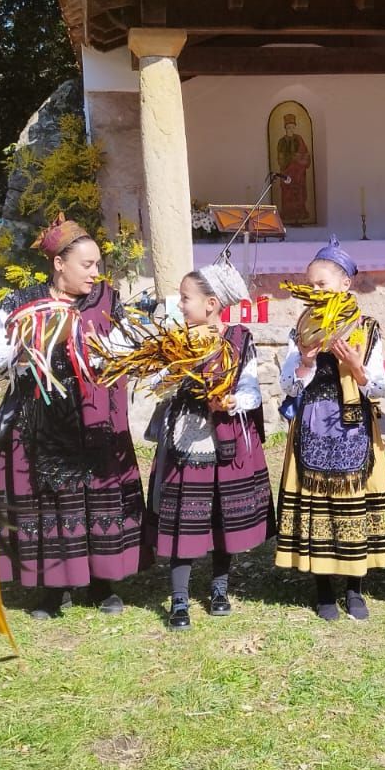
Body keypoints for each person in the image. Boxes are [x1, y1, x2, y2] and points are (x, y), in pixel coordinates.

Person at [0, 216, 147, 619]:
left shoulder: (106, 300)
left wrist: (106, 348)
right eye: (86, 265)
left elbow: (128, 347)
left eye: (97, 265)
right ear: (59, 264)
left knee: (92, 496)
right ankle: (50, 591)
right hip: (38, 419)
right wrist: (27, 342)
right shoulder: (26, 302)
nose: (95, 273)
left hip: (92, 416)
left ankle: (100, 581)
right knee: (46, 502)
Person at [145, 263, 274, 631]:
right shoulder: (176, 339)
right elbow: (156, 382)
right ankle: (179, 597)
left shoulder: (238, 339)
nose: (180, 305)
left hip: (225, 438)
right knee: (182, 517)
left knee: (221, 517)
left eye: (185, 298)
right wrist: (171, 373)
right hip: (187, 439)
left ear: (212, 303)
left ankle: (219, 588)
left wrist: (232, 401)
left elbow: (250, 388)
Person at [276, 239, 385, 620]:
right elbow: (288, 386)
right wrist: (305, 363)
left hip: (354, 428)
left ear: (345, 285)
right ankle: (324, 589)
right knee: (319, 509)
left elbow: (378, 388)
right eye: (311, 285)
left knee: (353, 507)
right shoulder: (302, 329)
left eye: (322, 284)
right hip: (312, 423)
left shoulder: (368, 328)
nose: (315, 291)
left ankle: (355, 587)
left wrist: (359, 369)